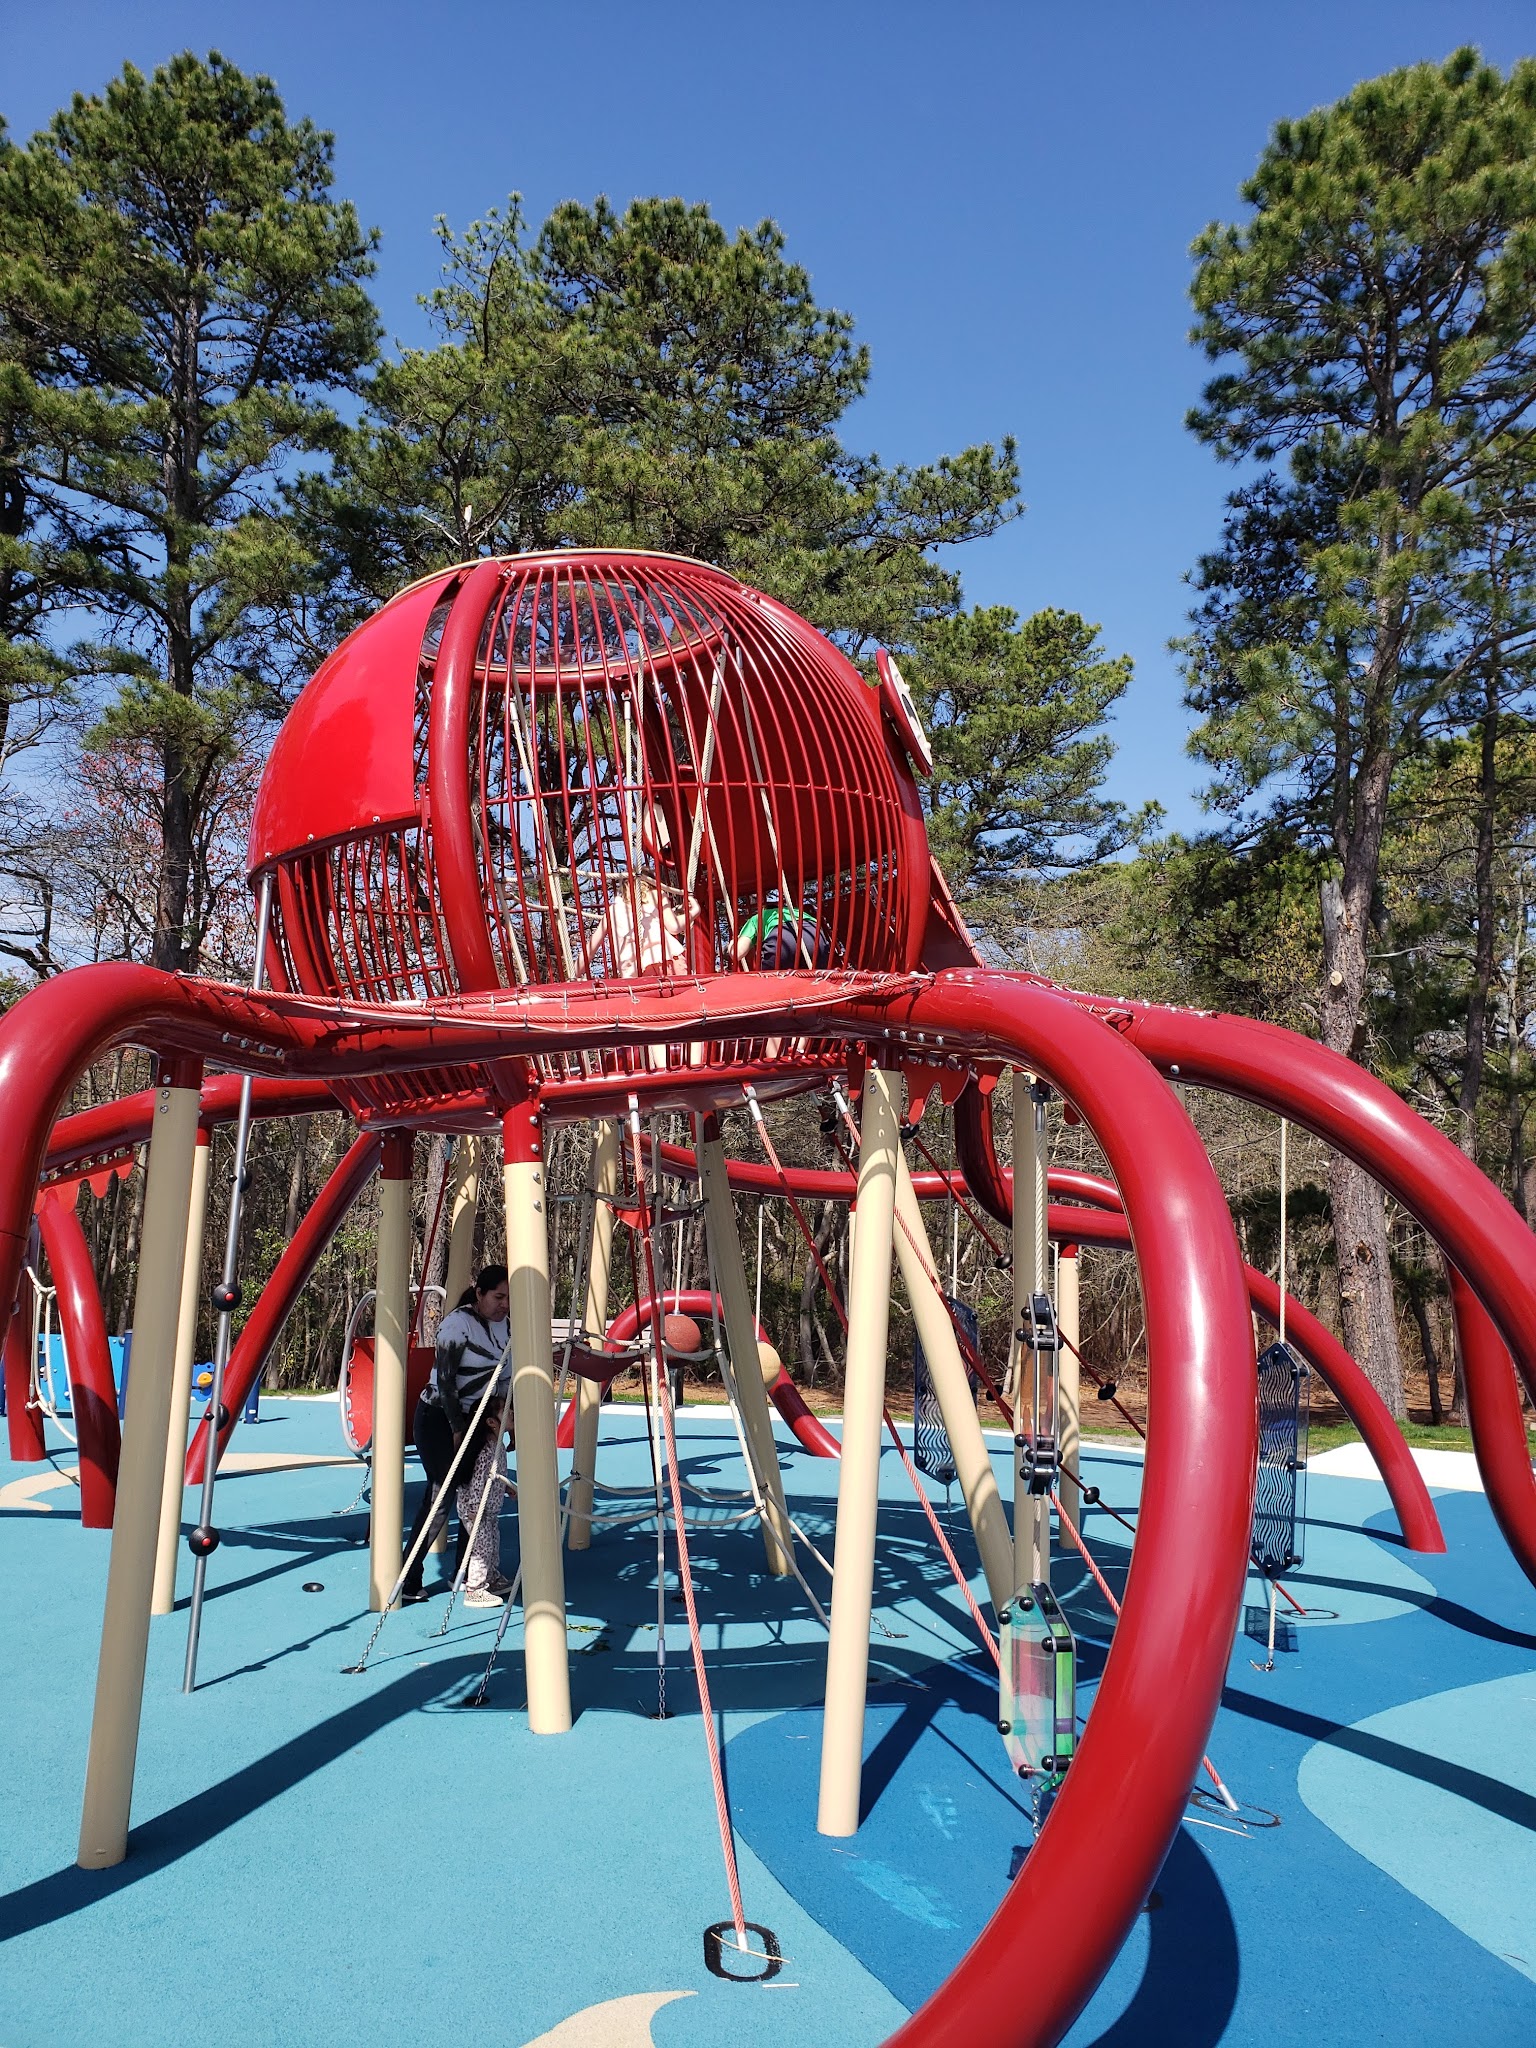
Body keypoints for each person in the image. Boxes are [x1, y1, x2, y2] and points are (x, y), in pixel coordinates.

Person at [401, 1264, 513, 1608]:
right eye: (498, 1296)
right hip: (440, 1416)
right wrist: (457, 1431)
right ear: (479, 1293)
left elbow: (507, 1380)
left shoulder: (509, 1327)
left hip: (481, 1419)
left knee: (477, 1495)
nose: (504, 1304)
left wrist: (510, 1424)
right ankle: (409, 1576)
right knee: (442, 1494)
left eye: (509, 1298)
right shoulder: (457, 1324)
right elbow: (447, 1383)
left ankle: (468, 1573)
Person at [733, 900, 829, 970]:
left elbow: (737, 953)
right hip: (815, 938)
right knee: (815, 980)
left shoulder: (758, 917)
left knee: (772, 983)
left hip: (781, 939)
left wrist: (735, 941)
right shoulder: (797, 911)